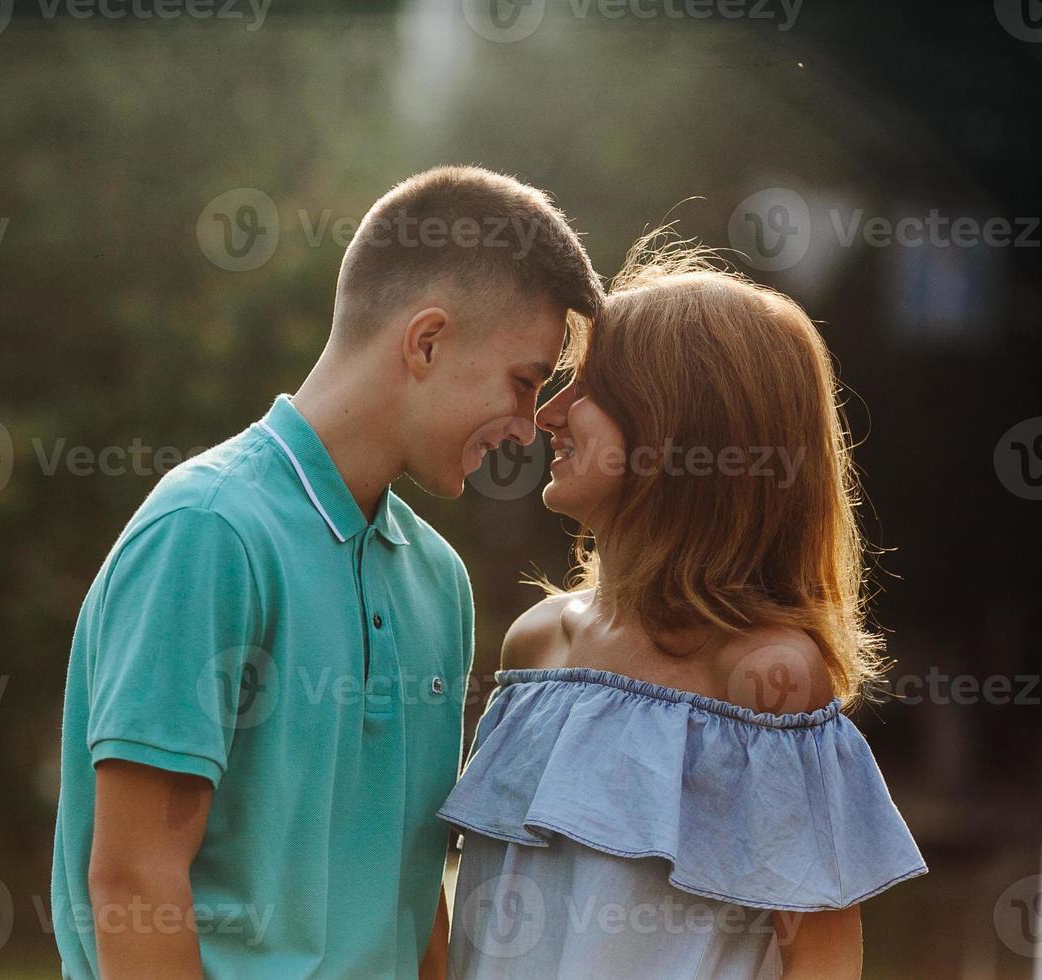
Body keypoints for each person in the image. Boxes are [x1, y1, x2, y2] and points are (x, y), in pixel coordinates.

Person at [50, 165, 603, 979]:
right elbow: (135, 880)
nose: (527, 427)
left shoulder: (440, 582)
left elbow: (412, 899)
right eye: (524, 383)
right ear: (426, 341)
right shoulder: (208, 533)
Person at [438, 238, 927, 979]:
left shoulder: (766, 675)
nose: (550, 414)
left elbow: (820, 954)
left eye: (588, 388)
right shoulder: (535, 646)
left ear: (677, 428)